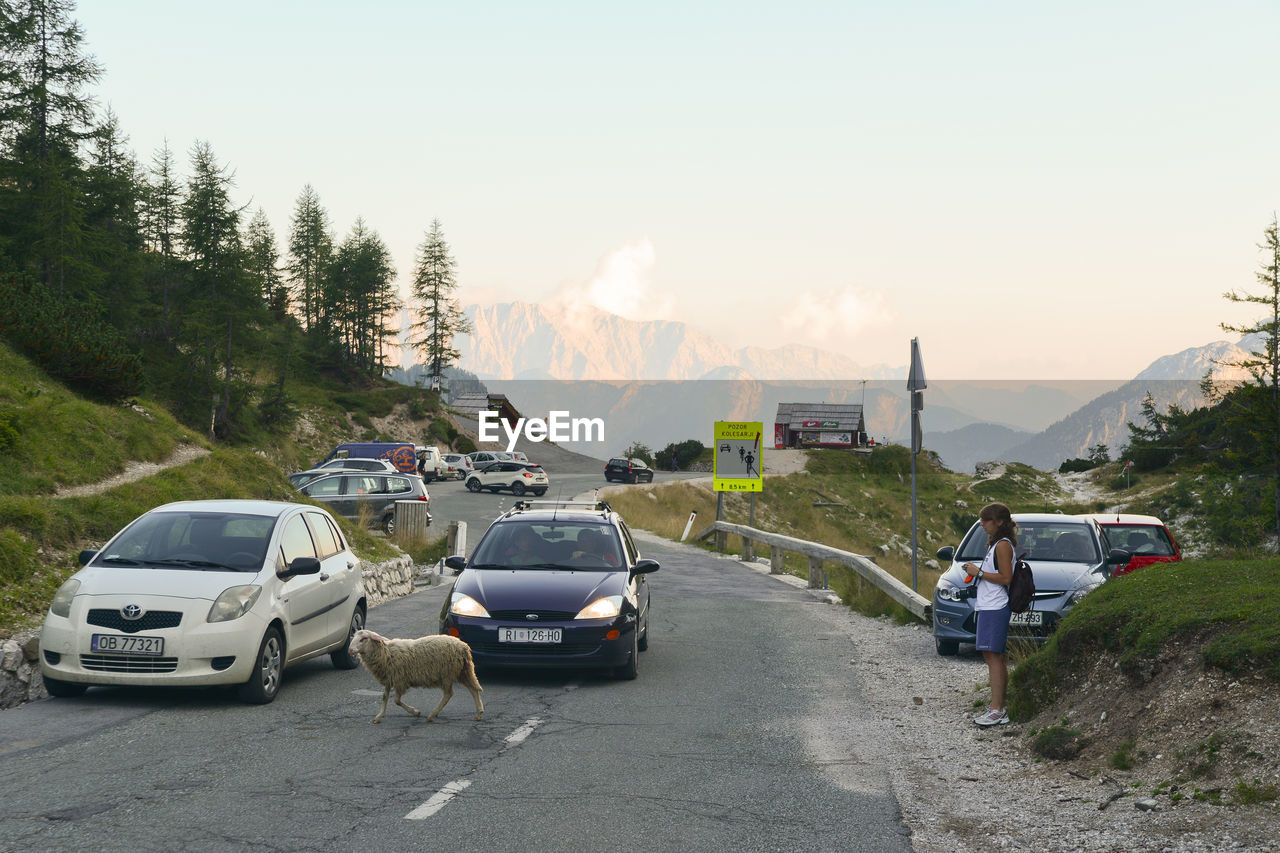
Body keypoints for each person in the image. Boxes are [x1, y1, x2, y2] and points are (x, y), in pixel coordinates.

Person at [962, 502, 1016, 726]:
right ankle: (996, 707)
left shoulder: (1003, 545)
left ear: (999, 522)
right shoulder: (996, 544)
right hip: (988, 606)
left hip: (996, 606)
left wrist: (979, 572)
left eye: (986, 520)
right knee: (991, 656)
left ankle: (998, 709)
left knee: (994, 657)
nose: (982, 524)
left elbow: (1006, 578)